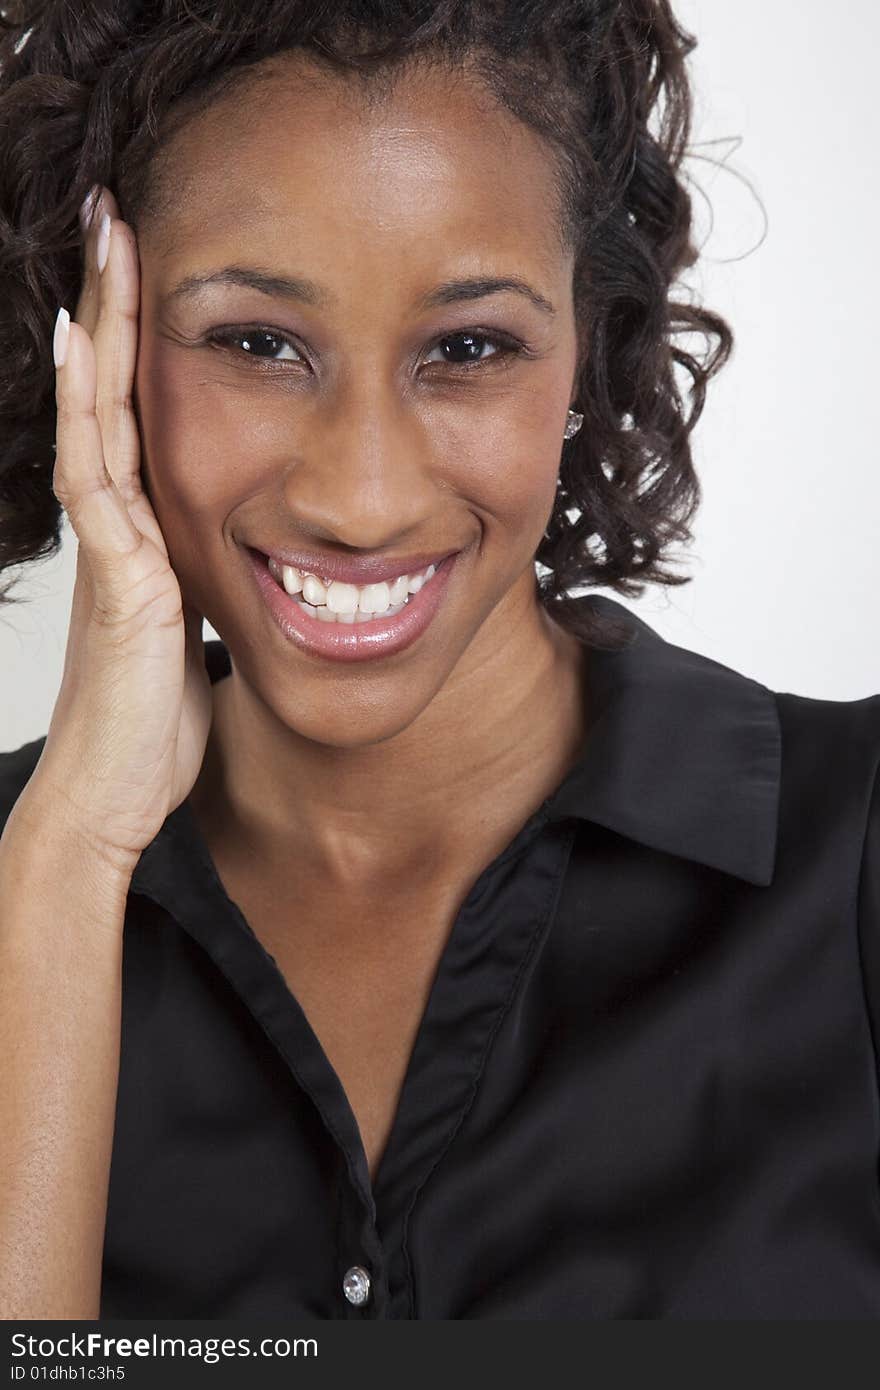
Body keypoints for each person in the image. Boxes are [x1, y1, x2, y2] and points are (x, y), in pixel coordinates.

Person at [1, 0, 878, 1322]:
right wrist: (69, 855)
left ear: (585, 346)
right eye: (256, 342)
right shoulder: (26, 882)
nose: (360, 496)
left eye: (468, 349)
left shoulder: (853, 846)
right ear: (106, 344)